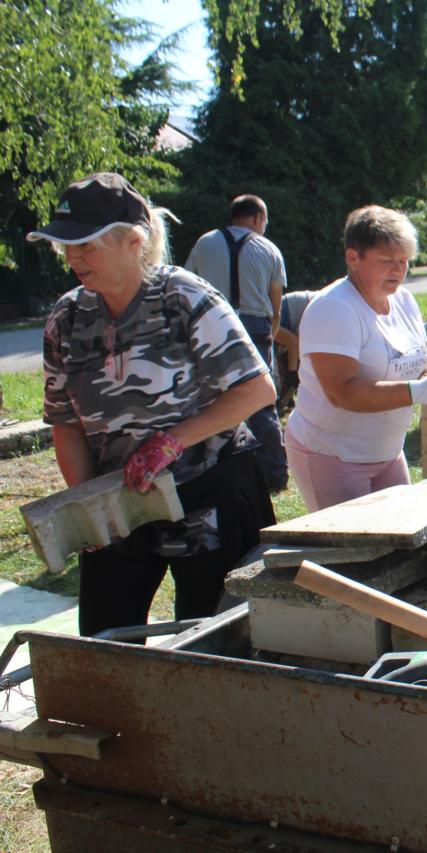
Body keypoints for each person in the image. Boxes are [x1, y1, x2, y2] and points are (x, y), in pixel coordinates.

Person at [31, 172, 278, 637]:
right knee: (106, 640)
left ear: (134, 241)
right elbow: (66, 423)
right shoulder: (67, 317)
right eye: (67, 245)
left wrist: (172, 442)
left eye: (87, 244)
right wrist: (88, 505)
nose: (73, 257)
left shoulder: (183, 297)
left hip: (209, 488)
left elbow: (256, 389)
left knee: (215, 641)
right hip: (120, 498)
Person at [285, 206, 427, 512]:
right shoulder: (334, 309)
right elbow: (342, 391)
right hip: (333, 454)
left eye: (403, 261)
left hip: (387, 452)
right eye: (387, 261)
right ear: (353, 258)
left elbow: (421, 359)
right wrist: (419, 392)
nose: (398, 270)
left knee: (401, 534)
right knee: (348, 542)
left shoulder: (403, 300)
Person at [184, 194, 289, 491]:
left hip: (209, 326)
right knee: (262, 399)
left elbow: (188, 283)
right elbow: (276, 302)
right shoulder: (268, 248)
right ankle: (274, 472)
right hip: (254, 325)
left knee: (214, 399)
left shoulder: (204, 242)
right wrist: (272, 330)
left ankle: (217, 464)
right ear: (258, 218)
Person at [273, 288, 319, 415]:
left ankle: (286, 397)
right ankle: (281, 398)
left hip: (291, 315)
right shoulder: (325, 308)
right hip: (281, 316)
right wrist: (292, 373)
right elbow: (294, 341)